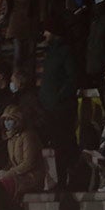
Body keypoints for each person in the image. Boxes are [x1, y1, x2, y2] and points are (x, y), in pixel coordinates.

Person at [38, 18, 79, 190]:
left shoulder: (65, 52)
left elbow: (73, 78)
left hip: (62, 108)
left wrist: (59, 97)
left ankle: (71, 178)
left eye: (47, 31)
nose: (44, 35)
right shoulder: (51, 53)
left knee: (65, 145)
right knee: (57, 146)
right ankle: (61, 179)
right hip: (51, 109)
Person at [0, 104, 45, 199]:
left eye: (10, 119)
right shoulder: (10, 139)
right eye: (5, 120)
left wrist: (11, 173)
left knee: (5, 184)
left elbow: (29, 162)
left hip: (32, 177)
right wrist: (4, 171)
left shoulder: (28, 136)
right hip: (18, 176)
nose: (7, 122)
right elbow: (11, 162)